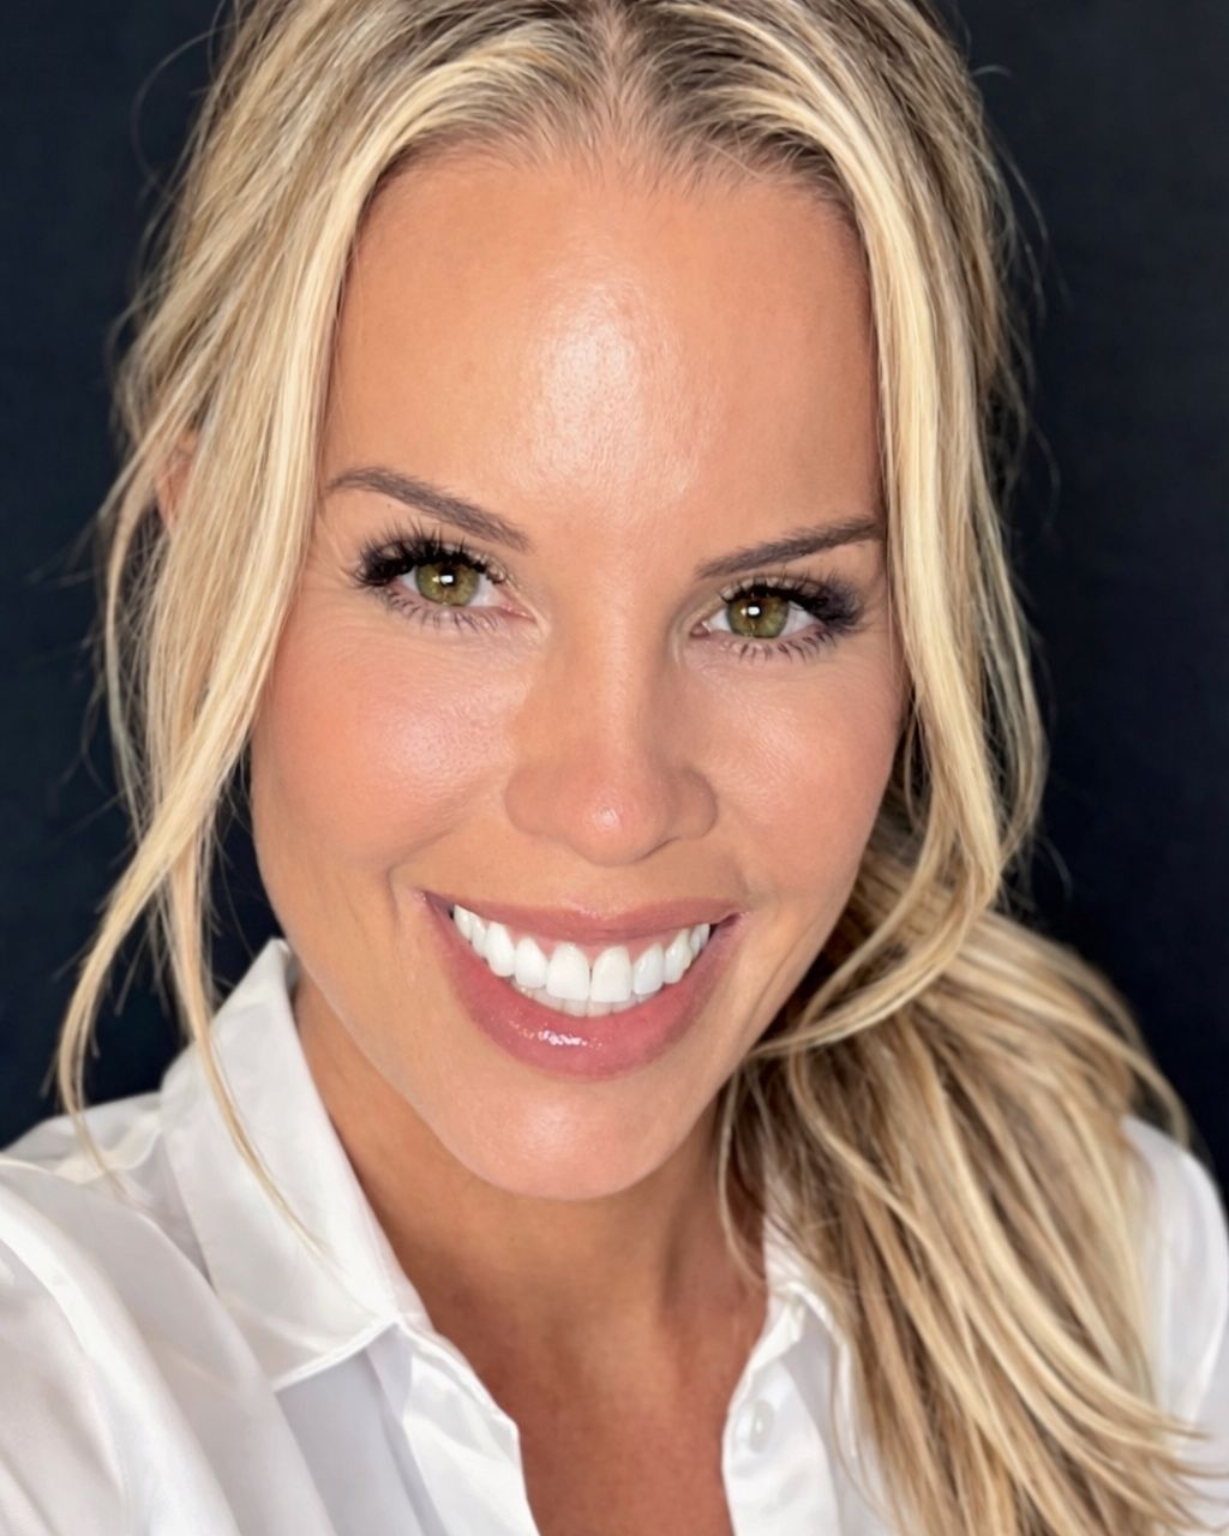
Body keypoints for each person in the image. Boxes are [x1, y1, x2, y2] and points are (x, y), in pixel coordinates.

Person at [1, 0, 1225, 1532]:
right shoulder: (42, 1412)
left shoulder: (1125, 1284)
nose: (611, 801)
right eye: (447, 578)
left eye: (766, 608)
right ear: (211, 578)